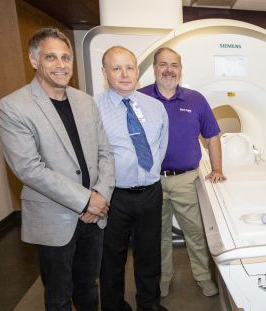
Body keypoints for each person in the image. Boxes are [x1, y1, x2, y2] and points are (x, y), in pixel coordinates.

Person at [0, 27, 115, 310]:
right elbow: (29, 168)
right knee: (59, 295)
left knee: (89, 285)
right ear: (34, 60)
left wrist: (99, 196)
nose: (61, 65)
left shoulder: (85, 102)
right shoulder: (14, 106)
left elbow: (105, 153)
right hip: (54, 217)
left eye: (66, 57)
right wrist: (86, 199)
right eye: (51, 57)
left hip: (94, 215)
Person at [138, 47, 224, 298]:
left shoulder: (195, 99)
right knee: (158, 234)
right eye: (163, 64)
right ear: (154, 68)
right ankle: (163, 278)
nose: (169, 70)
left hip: (186, 179)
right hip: (152, 180)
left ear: (180, 69)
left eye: (174, 65)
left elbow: (212, 135)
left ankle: (203, 277)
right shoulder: (140, 97)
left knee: (195, 231)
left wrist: (218, 168)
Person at [96, 46, 169, 311]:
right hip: (115, 195)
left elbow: (161, 145)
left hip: (150, 191)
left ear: (137, 71)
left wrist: (149, 174)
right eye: (116, 68)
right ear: (105, 73)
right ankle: (114, 306)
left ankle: (149, 304)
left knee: (149, 254)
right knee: (112, 257)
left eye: (129, 67)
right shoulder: (94, 108)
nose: (124, 74)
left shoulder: (155, 106)